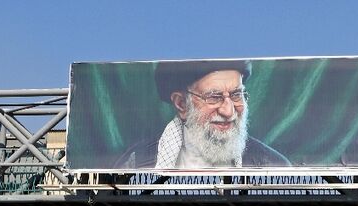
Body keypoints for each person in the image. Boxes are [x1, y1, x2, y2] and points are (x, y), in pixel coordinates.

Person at [118, 60, 290, 170]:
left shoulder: (274, 166)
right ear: (181, 104)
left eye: (237, 95)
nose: (228, 111)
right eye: (214, 97)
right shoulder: (135, 164)